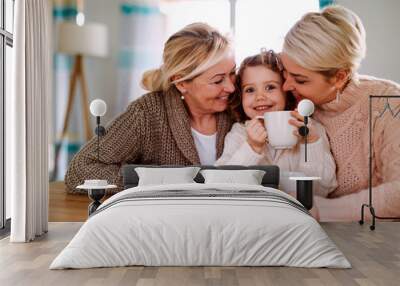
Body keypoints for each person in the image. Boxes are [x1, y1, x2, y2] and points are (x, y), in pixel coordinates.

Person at [65, 23, 236, 193]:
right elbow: (79, 171)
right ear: (182, 82)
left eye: (232, 73)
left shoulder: (241, 105)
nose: (231, 87)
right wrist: (152, 181)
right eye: (218, 80)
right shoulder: (147, 113)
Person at [280, 5, 400, 221]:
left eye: (300, 79)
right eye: (284, 72)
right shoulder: (295, 104)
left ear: (338, 77)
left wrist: (321, 210)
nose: (286, 85)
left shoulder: (388, 103)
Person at [216, 50, 337, 197]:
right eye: (250, 90)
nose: (260, 97)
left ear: (286, 91)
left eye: (270, 87)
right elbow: (222, 185)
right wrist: (252, 148)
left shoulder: (311, 129)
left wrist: (311, 143)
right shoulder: (240, 133)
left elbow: (320, 189)